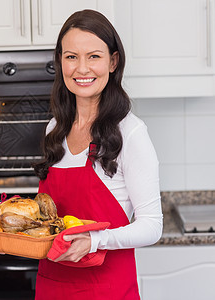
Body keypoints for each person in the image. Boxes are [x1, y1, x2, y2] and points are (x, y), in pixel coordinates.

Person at [33, 10, 163, 300]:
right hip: (52, 285)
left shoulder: (130, 132)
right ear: (60, 62)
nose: (82, 68)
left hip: (107, 290)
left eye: (93, 56)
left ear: (113, 62)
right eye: (71, 57)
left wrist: (95, 240)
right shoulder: (54, 129)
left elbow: (152, 226)